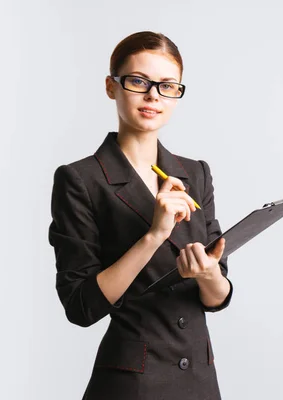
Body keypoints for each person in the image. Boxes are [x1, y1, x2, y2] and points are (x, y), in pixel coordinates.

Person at [48, 31, 233, 400]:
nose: (153, 96)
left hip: (200, 381)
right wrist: (154, 236)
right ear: (111, 87)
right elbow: (81, 306)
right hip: (132, 385)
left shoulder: (195, 173)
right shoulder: (81, 179)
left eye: (167, 86)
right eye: (138, 81)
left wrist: (210, 272)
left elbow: (218, 296)